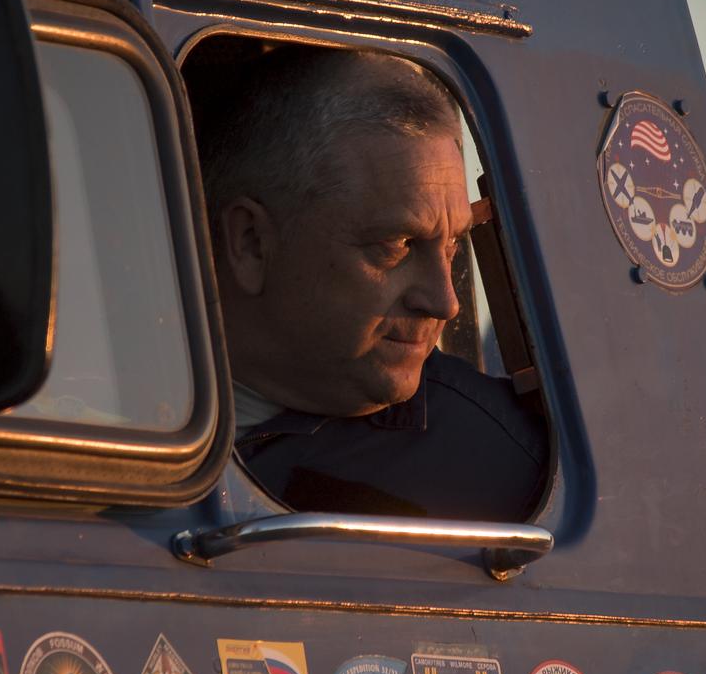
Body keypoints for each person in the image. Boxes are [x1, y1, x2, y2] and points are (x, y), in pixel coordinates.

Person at [192, 44, 548, 522]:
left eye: (451, 248)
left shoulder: (512, 483)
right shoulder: (90, 408)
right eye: (398, 244)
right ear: (252, 242)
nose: (446, 303)